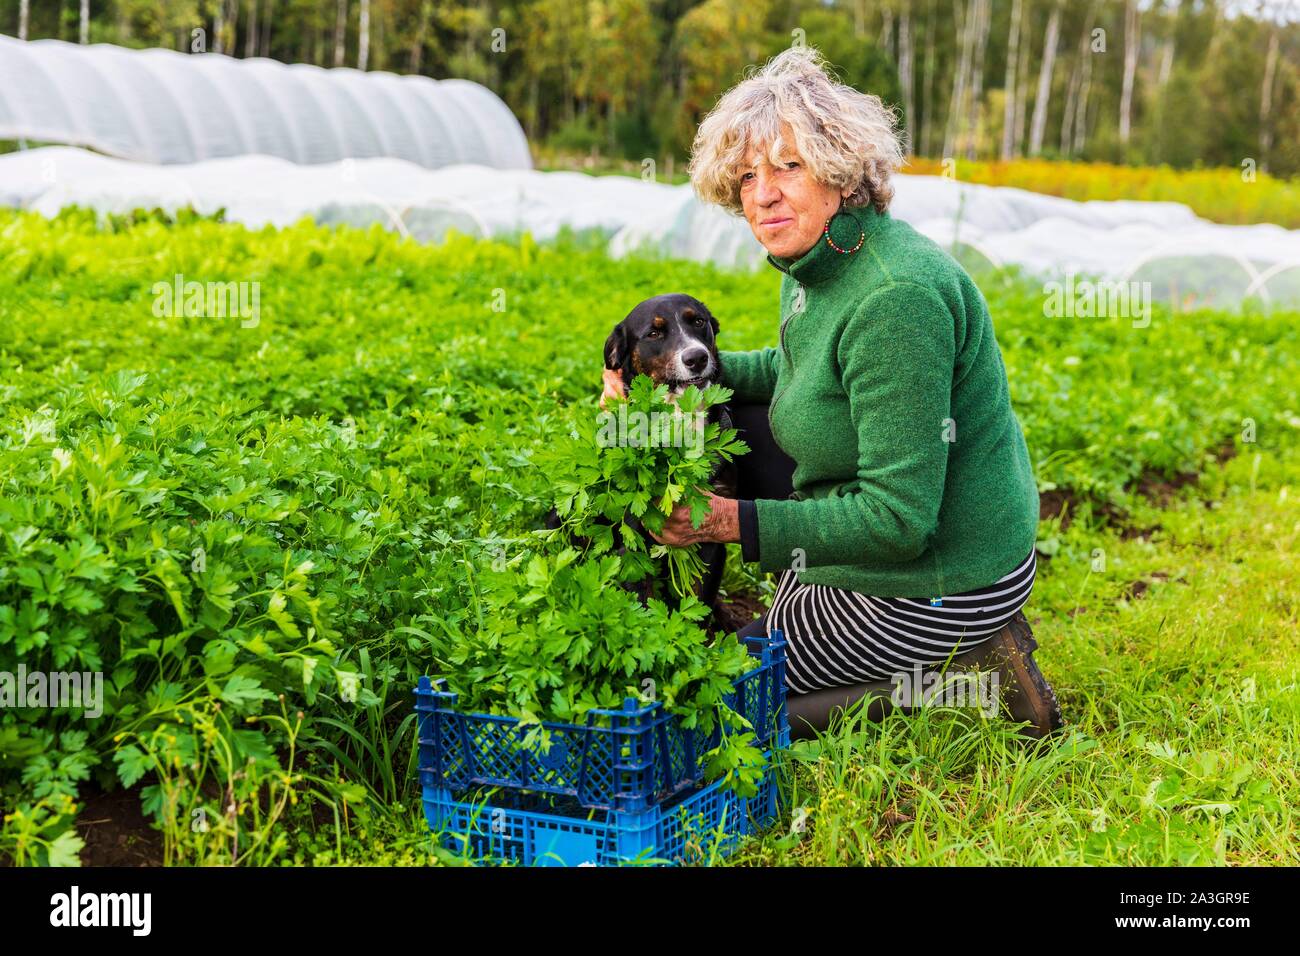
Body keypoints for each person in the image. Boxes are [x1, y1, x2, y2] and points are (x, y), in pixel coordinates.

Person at [601, 46, 1062, 741]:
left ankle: (972, 678)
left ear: (841, 172)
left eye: (788, 166)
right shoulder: (819, 260)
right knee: (738, 418)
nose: (763, 194)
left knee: (711, 701)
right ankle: (841, 624)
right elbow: (800, 370)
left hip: (944, 572)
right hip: (905, 542)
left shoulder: (895, 299)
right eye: (748, 175)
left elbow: (899, 521)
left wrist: (724, 522)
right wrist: (660, 381)